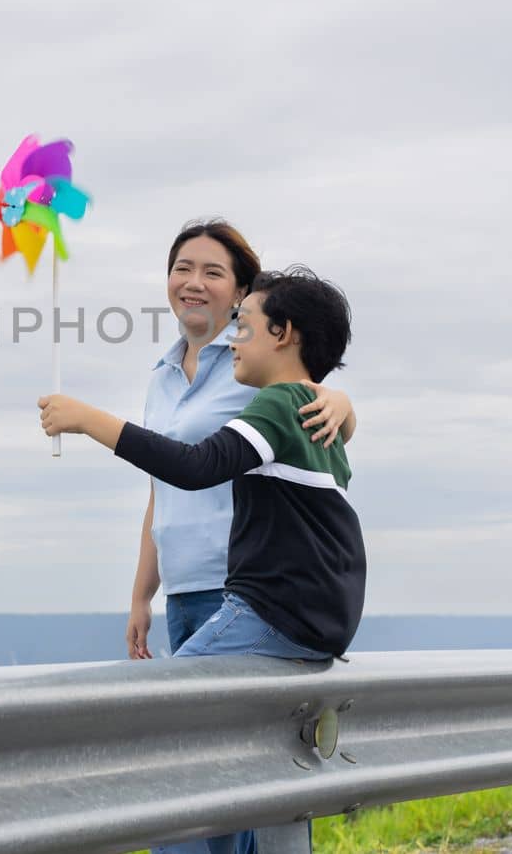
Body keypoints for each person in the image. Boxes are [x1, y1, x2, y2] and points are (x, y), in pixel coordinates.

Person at [39, 265, 363, 854]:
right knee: (274, 762)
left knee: (163, 717)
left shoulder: (280, 404)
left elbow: (195, 467)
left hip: (272, 614)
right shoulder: (318, 415)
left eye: (243, 325)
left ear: (283, 333)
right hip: (322, 624)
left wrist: (89, 420)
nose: (232, 339)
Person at [131, 221, 355, 662]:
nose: (193, 283)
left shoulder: (251, 365)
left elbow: (311, 406)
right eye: (182, 268)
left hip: (240, 584)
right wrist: (142, 595)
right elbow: (161, 488)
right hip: (181, 587)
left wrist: (342, 402)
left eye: (213, 273)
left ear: (238, 292)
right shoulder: (161, 378)